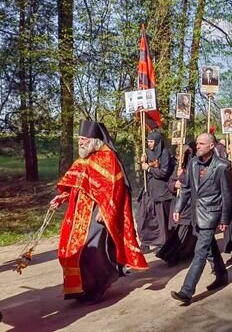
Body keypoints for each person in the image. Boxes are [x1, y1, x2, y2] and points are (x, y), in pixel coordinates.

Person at [49, 120, 148, 302]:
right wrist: (61, 198)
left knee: (91, 253)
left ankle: (98, 285)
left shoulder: (108, 158)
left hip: (98, 215)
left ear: (94, 139)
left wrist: (105, 211)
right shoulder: (84, 158)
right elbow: (75, 184)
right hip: (78, 215)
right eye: (79, 138)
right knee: (71, 251)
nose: (80, 142)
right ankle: (80, 289)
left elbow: (115, 189)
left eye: (83, 139)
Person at [171, 133, 232, 306]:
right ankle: (222, 275)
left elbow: (227, 196)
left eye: (201, 143)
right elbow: (187, 188)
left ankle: (187, 291)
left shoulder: (222, 166)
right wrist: (178, 208)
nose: (197, 146)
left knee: (199, 252)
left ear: (211, 146)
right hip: (195, 214)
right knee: (209, 246)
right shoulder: (192, 163)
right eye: (197, 143)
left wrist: (225, 219)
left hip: (211, 214)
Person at [156, 144, 197, 266]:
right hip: (177, 203)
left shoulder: (194, 166)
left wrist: (183, 177)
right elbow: (170, 183)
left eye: (180, 155)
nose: (178, 157)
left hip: (189, 204)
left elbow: (193, 184)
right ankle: (171, 254)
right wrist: (174, 185)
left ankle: (178, 254)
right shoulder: (177, 167)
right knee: (179, 231)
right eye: (177, 154)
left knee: (186, 232)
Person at [137, 130, 175, 252]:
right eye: (148, 141)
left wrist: (148, 168)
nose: (149, 144)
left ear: (157, 141)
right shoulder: (147, 153)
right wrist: (142, 161)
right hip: (148, 190)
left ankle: (163, 244)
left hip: (161, 191)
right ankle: (145, 242)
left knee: (161, 220)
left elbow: (164, 172)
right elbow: (144, 168)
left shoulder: (165, 154)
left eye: (152, 141)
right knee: (143, 217)